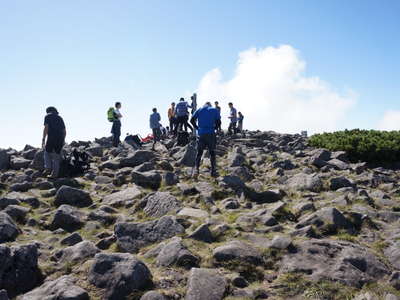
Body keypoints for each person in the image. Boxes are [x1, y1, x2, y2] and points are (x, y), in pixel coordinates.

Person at [190, 102, 221, 178]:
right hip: (211, 133)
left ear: (204, 105)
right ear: (210, 105)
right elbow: (219, 122)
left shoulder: (199, 110)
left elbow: (191, 120)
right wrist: (214, 128)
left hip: (201, 134)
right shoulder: (214, 110)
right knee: (212, 152)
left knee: (199, 152)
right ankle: (213, 171)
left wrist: (197, 128)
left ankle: (196, 170)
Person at [42, 106, 66, 178]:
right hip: (60, 139)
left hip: (51, 138)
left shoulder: (47, 116)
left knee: (47, 153)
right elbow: (64, 131)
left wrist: (43, 139)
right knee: (56, 157)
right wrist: (63, 140)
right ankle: (54, 175)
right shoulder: (60, 118)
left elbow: (46, 128)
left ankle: (48, 168)